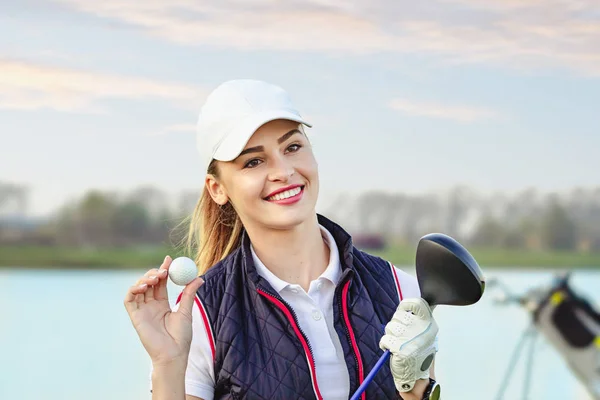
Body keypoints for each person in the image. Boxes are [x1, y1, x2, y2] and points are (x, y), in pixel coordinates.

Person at [124, 79, 440, 400]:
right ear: (217, 188)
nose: (284, 171)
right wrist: (167, 363)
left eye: (292, 147)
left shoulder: (400, 289)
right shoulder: (198, 314)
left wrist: (418, 393)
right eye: (254, 161)